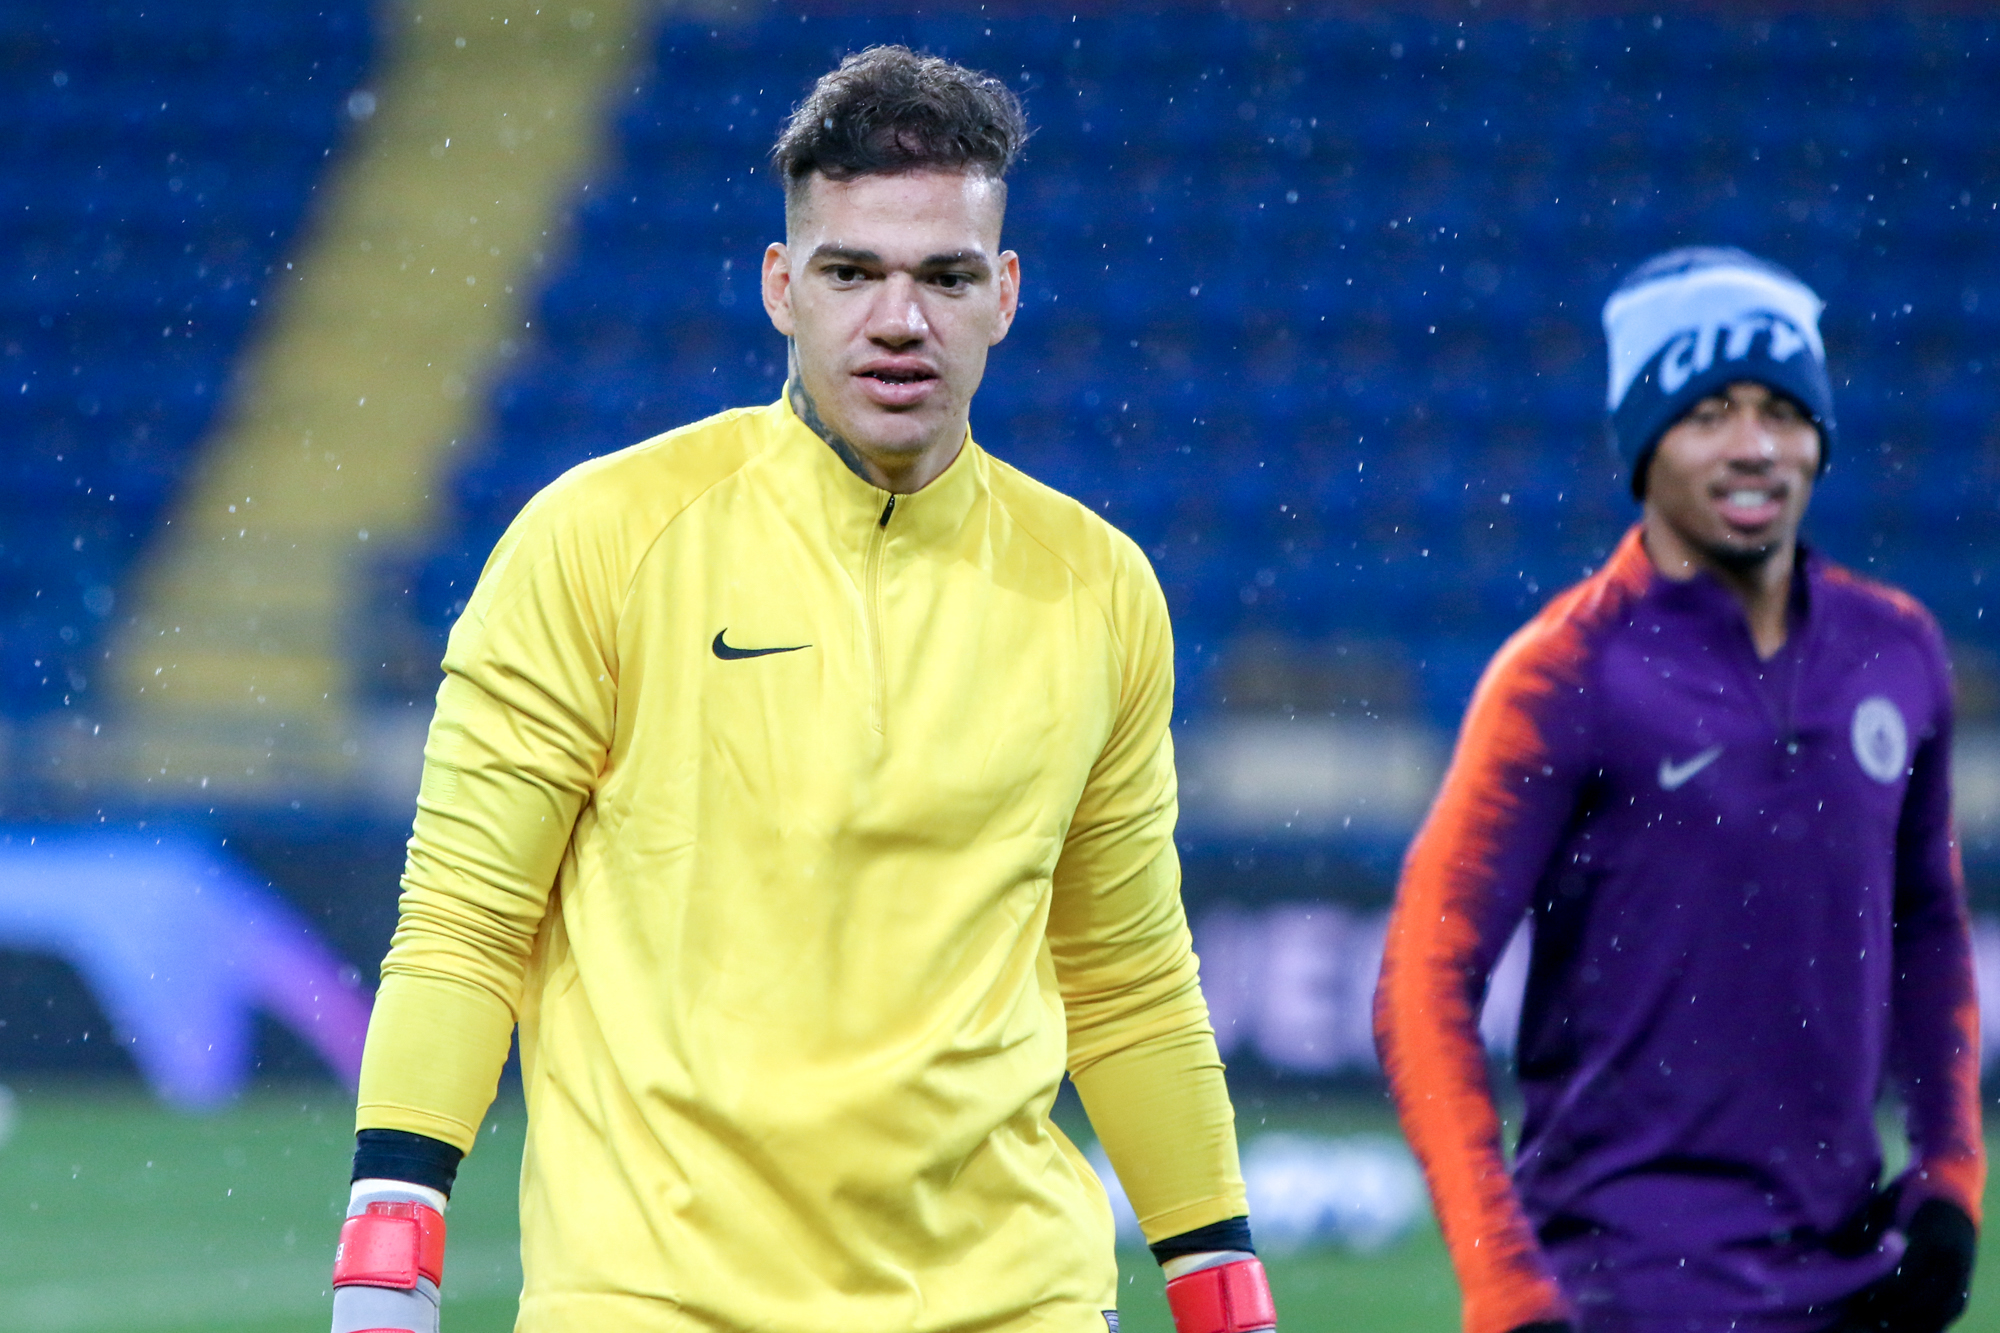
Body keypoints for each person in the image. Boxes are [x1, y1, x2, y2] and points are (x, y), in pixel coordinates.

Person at [327, 46, 1276, 1333]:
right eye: (851, 273)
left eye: (944, 276)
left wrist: (1222, 1290)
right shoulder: (597, 540)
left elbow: (1126, 983)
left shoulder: (1099, 589)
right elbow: (464, 924)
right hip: (658, 1300)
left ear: (1003, 294)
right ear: (781, 286)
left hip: (1013, 1300)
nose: (899, 320)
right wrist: (386, 1264)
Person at [1373, 247, 1983, 1333]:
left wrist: (1949, 1179)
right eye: (1707, 413)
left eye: (1781, 411)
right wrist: (1502, 1284)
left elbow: (1928, 924)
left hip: (1848, 1283)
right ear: (1642, 443)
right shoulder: (1562, 674)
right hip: (1619, 1289)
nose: (1754, 447)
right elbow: (1422, 978)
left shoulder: (1895, 651)